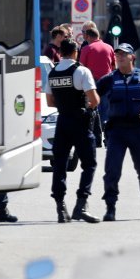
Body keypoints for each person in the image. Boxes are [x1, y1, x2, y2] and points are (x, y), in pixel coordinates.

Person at [96, 43, 140, 222]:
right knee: (111, 170)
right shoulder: (109, 79)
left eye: (124, 55)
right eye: (117, 55)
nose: (119, 57)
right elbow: (92, 94)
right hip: (116, 131)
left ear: (132, 57)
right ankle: (110, 207)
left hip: (139, 130)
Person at [45, 38, 101, 224]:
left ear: (60, 53)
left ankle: (61, 208)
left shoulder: (52, 73)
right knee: (89, 164)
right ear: (76, 52)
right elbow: (94, 100)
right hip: (80, 122)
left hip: (62, 123)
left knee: (59, 164)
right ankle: (81, 205)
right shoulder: (81, 71)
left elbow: (50, 102)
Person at [79, 25, 116, 125]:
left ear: (88, 37)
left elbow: (81, 68)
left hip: (92, 83)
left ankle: (97, 128)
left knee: (94, 108)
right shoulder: (109, 48)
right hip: (108, 82)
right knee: (107, 108)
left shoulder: (86, 49)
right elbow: (114, 67)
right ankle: (106, 128)